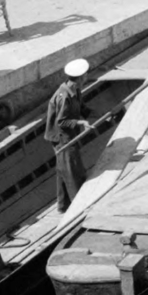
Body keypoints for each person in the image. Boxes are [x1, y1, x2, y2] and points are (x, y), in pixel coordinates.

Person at [44, 58, 89, 210]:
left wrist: (98, 114)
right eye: (85, 75)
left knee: (62, 170)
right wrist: (80, 123)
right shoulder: (64, 96)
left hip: (68, 134)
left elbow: (82, 108)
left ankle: (63, 206)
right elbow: (61, 122)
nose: (87, 77)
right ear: (81, 78)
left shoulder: (75, 90)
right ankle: (79, 207)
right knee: (72, 170)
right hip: (61, 137)